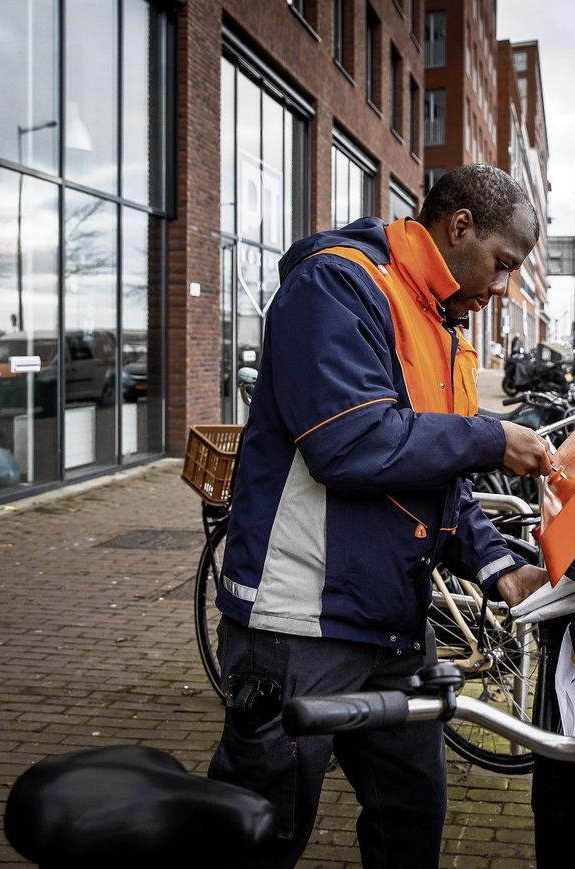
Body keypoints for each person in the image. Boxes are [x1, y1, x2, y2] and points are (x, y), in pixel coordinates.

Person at [208, 164, 553, 868]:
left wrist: (501, 566)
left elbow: (436, 473)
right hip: (297, 625)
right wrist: (492, 437)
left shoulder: (443, 326)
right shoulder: (336, 285)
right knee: (260, 832)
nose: (502, 288)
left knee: (412, 813)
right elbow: (352, 442)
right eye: (502, 263)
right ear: (459, 226)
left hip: (390, 623)